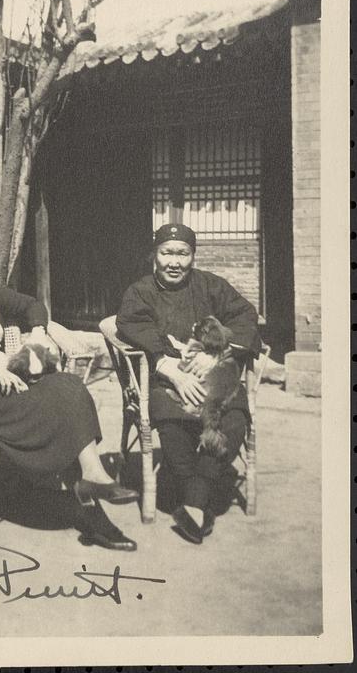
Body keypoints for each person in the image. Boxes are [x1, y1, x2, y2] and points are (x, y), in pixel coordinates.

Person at [0, 224, 138, 551]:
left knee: (68, 386)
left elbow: (34, 306)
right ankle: (93, 514)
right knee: (57, 410)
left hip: (11, 383)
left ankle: (93, 476)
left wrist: (36, 333)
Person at [116, 223, 261, 545]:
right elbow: (130, 323)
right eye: (167, 253)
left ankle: (193, 499)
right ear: (154, 255)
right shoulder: (140, 291)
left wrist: (218, 353)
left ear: (193, 257)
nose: (174, 262)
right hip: (166, 378)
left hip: (215, 377)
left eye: (183, 254)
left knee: (235, 419)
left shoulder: (212, 286)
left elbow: (245, 316)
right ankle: (197, 493)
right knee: (171, 422)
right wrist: (166, 365)